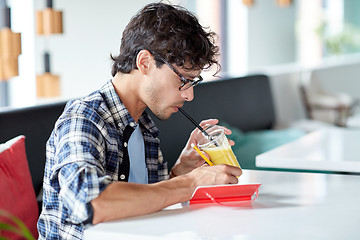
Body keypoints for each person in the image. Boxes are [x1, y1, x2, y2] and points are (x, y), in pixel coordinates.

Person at [37, 2, 242, 239]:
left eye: (193, 83)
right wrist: (190, 183)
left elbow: (144, 201)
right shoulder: (84, 119)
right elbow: (92, 202)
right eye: (184, 79)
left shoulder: (143, 126)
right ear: (144, 63)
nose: (189, 95)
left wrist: (180, 172)